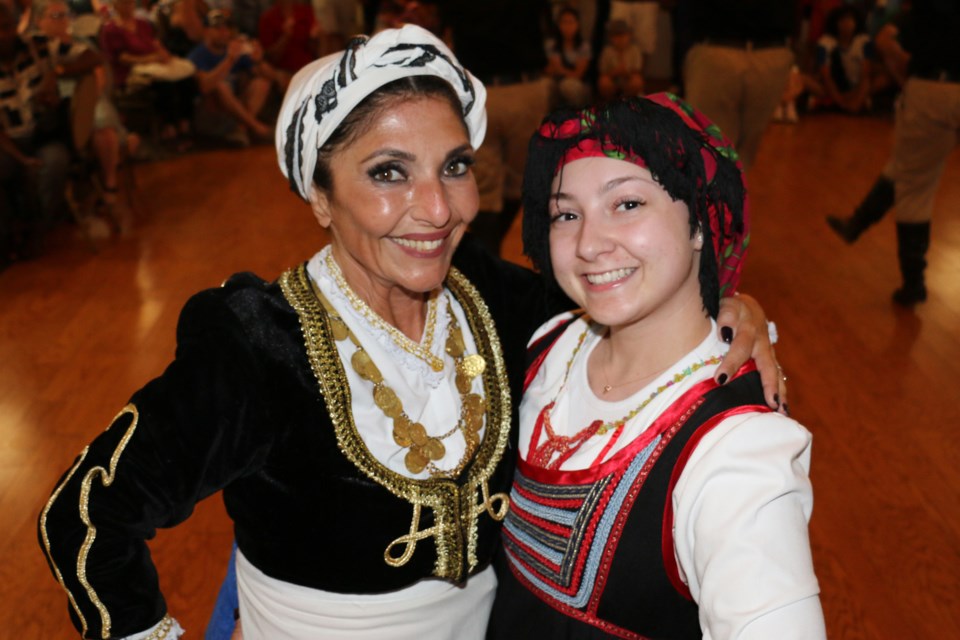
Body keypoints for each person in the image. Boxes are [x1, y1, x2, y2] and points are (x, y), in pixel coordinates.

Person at [38, 26, 782, 640]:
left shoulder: (492, 297)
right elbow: (82, 515)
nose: (435, 207)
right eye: (389, 173)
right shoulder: (257, 346)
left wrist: (732, 306)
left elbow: (627, 298)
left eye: (453, 166)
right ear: (321, 200)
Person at [487, 93, 823, 638]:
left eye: (627, 204)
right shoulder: (552, 342)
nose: (589, 244)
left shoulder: (737, 454)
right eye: (566, 214)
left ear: (699, 221)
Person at [35, 0, 140, 219]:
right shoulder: (37, 48)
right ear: (39, 21)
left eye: (65, 15)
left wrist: (65, 74)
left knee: (99, 121)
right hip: (58, 107)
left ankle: (109, 185)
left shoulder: (78, 43)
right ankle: (99, 177)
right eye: (56, 16)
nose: (63, 20)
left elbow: (98, 71)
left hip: (87, 96)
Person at [681, 0, 795, 169]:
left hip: (771, 50)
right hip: (716, 47)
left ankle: (729, 193)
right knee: (709, 148)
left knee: (745, 153)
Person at [0, 2, 70, 262]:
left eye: (7, 27)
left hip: (42, 136)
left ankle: (40, 229)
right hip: (7, 144)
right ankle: (8, 238)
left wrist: (56, 72)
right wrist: (22, 160)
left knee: (55, 162)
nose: (3, 35)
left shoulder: (38, 46)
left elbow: (90, 56)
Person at [99, 0, 197, 149]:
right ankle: (168, 130)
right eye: (124, 3)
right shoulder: (111, 30)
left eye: (130, 3)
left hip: (155, 68)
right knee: (163, 85)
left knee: (186, 80)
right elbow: (122, 58)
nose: (128, 6)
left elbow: (155, 44)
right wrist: (148, 59)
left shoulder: (143, 24)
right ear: (115, 6)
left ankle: (184, 125)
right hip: (130, 75)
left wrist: (163, 54)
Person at [189, 9, 282, 145]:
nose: (224, 32)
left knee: (262, 82)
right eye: (218, 28)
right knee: (221, 86)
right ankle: (258, 128)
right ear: (206, 31)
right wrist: (230, 60)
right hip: (209, 113)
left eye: (226, 28)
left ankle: (242, 128)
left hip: (235, 110)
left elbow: (272, 77)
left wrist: (259, 60)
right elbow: (204, 86)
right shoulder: (198, 55)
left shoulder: (237, 49)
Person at [544, 5, 592, 108]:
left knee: (567, 86)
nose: (567, 26)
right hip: (556, 82)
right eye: (564, 22)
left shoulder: (583, 46)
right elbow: (548, 70)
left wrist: (560, 69)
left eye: (571, 22)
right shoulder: (551, 44)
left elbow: (578, 74)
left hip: (578, 85)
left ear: (577, 24)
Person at [597, 17, 644, 101]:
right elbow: (603, 71)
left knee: (637, 81)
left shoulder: (634, 50)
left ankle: (630, 101)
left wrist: (626, 72)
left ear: (629, 35)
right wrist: (615, 72)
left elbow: (637, 71)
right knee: (603, 82)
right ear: (611, 37)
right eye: (617, 36)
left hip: (628, 80)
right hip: (613, 80)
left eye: (623, 35)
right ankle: (610, 102)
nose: (620, 39)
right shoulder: (607, 51)